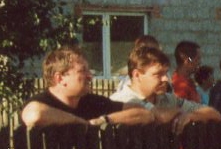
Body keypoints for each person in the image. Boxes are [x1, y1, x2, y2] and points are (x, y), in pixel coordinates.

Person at [20, 46, 155, 129]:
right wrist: (78, 122)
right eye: (82, 71)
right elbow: (35, 115)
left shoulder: (91, 101)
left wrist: (105, 120)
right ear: (60, 78)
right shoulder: (43, 102)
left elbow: (144, 114)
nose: (90, 76)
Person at [113, 46, 221, 132]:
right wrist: (181, 112)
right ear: (137, 75)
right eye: (157, 74)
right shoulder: (122, 100)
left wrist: (191, 116)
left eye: (165, 73)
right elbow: (161, 116)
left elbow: (214, 114)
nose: (165, 79)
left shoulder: (167, 99)